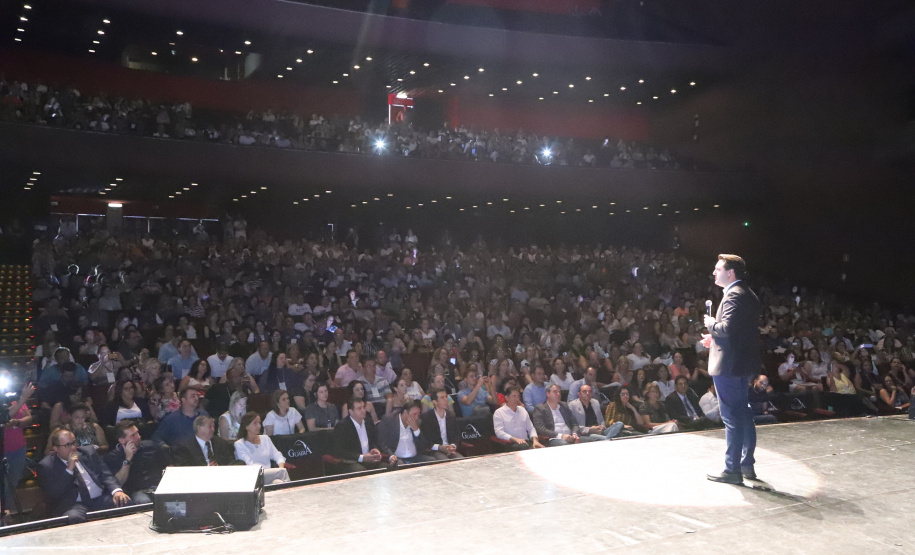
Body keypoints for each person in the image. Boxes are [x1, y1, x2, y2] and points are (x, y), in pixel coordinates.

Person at [702, 254, 762, 484]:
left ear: (731, 273)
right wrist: (714, 340)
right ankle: (746, 465)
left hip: (729, 366)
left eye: (718, 269)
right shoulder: (749, 294)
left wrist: (711, 326)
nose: (715, 273)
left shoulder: (733, 295)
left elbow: (725, 328)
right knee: (743, 413)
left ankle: (732, 469)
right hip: (741, 363)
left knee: (732, 417)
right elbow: (738, 333)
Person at [38, 429, 131, 523]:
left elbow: (105, 474)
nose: (73, 447)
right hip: (74, 505)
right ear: (55, 448)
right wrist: (69, 469)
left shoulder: (88, 452)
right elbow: (53, 494)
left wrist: (116, 491)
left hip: (99, 498)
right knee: (72, 517)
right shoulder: (47, 466)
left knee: (125, 501)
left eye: (74, 442)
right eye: (67, 445)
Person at [103, 420, 168, 504]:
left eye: (137, 433)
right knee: (143, 500)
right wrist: (128, 459)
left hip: (159, 486)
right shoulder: (113, 457)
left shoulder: (150, 445)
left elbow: (168, 465)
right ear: (122, 440)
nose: (138, 436)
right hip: (136, 491)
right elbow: (119, 482)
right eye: (133, 435)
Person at [331, 397, 395, 473]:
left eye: (363, 407)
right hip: (352, 461)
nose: (363, 411)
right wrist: (362, 458)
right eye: (359, 408)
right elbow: (339, 451)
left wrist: (375, 449)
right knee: (361, 471)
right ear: (351, 412)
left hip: (370, 459)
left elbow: (374, 441)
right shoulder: (343, 426)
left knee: (388, 469)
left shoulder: (368, 421)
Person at [533, 384, 604, 446]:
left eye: (559, 392)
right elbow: (540, 428)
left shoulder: (564, 406)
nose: (558, 394)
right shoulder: (540, 408)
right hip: (554, 438)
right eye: (555, 392)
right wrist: (561, 436)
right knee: (564, 444)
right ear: (548, 394)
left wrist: (574, 434)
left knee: (591, 440)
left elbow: (574, 424)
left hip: (571, 436)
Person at [234, 412, 290, 484]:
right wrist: (278, 472)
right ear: (246, 426)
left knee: (278, 482)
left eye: (259, 423)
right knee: (282, 473)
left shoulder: (265, 439)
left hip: (269, 474)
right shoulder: (239, 444)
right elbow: (250, 465)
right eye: (255, 423)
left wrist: (281, 467)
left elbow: (277, 454)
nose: (258, 426)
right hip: (254, 476)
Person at [377, 400, 435, 464]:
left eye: (418, 414)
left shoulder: (418, 422)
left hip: (415, 457)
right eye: (414, 414)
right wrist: (391, 455)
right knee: (400, 464)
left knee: (432, 460)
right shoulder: (389, 421)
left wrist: (416, 431)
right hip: (397, 458)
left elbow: (424, 446)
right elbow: (382, 442)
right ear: (405, 413)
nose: (416, 418)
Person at [171, 415, 243, 466]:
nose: (213, 429)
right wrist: (207, 469)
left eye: (213, 426)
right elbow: (185, 469)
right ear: (199, 428)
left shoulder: (220, 442)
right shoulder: (185, 447)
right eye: (209, 426)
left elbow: (230, 461)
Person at [492, 386, 543, 450]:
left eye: (518, 396)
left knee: (540, 447)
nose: (517, 399)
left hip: (525, 441)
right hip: (510, 443)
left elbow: (530, 428)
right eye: (514, 396)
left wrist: (535, 440)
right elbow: (499, 432)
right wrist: (515, 439)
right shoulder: (499, 412)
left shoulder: (522, 410)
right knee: (524, 447)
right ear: (507, 398)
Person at [418, 387, 463, 460]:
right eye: (442, 398)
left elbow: (457, 435)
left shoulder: (451, 416)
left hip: (450, 449)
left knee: (461, 460)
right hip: (435, 450)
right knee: (444, 461)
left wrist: (453, 445)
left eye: (446, 397)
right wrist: (439, 447)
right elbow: (425, 439)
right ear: (435, 402)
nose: (446, 400)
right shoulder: (427, 418)